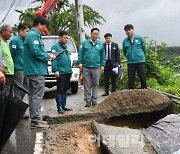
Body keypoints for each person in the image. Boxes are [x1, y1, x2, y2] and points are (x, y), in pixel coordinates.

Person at [23, 16, 56, 128]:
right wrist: (48, 56)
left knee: (33, 96)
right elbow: (36, 52)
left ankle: (35, 120)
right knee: (37, 96)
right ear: (40, 25)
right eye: (44, 26)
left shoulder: (33, 35)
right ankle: (36, 121)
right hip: (36, 70)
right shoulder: (33, 36)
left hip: (33, 70)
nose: (45, 29)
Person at [78, 28, 106, 107]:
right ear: (91, 34)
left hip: (96, 67)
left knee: (95, 84)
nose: (96, 35)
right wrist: (80, 62)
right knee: (87, 84)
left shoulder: (100, 44)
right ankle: (87, 100)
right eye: (95, 33)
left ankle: (94, 100)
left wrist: (103, 65)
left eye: (97, 33)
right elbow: (81, 53)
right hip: (86, 67)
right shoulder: (85, 43)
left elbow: (103, 55)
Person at [51, 31, 73, 114]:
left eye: (67, 38)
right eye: (65, 38)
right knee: (60, 90)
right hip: (61, 72)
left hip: (67, 71)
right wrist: (55, 70)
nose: (66, 39)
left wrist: (70, 71)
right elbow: (54, 59)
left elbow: (68, 59)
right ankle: (59, 107)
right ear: (60, 37)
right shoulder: (55, 47)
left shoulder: (65, 47)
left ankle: (64, 105)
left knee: (65, 90)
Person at [122, 24, 147, 89]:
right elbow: (124, 51)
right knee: (131, 77)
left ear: (133, 30)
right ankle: (131, 91)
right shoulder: (125, 41)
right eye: (126, 31)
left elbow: (144, 49)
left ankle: (144, 89)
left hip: (140, 61)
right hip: (130, 62)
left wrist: (140, 55)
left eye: (129, 30)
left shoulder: (139, 38)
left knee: (142, 76)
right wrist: (128, 56)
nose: (128, 32)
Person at [9, 23, 30, 100]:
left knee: (26, 88)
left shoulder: (26, 41)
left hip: (26, 68)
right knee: (18, 89)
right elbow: (11, 55)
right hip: (18, 68)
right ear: (20, 31)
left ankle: (18, 103)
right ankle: (16, 108)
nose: (28, 33)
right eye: (27, 31)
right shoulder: (15, 41)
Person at [0, 25, 14, 99]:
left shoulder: (5, 43)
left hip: (10, 74)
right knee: (4, 98)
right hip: (4, 75)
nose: (11, 34)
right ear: (3, 32)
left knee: (9, 98)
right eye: (10, 32)